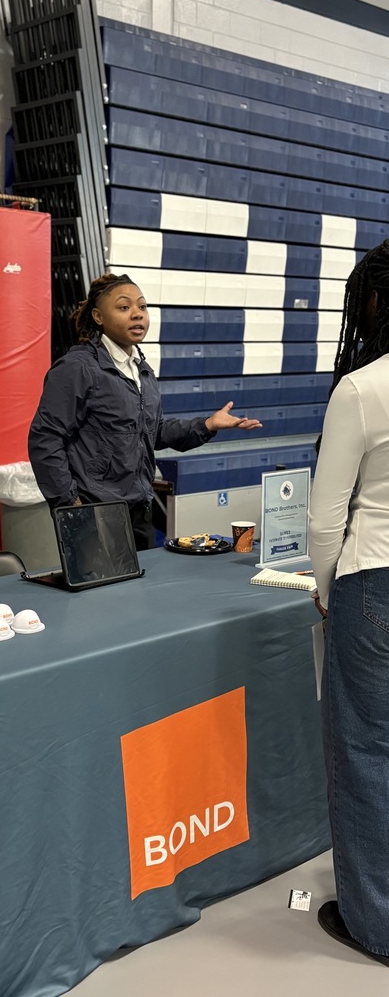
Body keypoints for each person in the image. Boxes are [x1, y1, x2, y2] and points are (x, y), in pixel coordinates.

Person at [28, 272, 262, 550]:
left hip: (139, 509)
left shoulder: (141, 370)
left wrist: (207, 424)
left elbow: (152, 431)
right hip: (94, 513)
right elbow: (45, 439)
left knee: (144, 580)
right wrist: (70, 506)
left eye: (142, 306)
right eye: (124, 307)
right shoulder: (77, 368)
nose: (137, 314)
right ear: (98, 316)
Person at [309, 239, 389, 968]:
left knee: (366, 750)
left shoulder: (363, 388)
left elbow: (324, 517)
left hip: (375, 583)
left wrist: (328, 591)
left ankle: (378, 925)